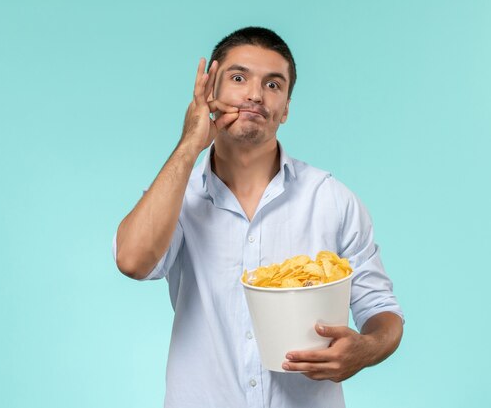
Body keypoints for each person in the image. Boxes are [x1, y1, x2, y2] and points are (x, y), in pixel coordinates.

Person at [113, 26, 403, 408]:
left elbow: (382, 310)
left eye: (273, 85)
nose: (254, 94)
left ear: (285, 109)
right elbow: (132, 261)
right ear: (210, 94)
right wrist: (189, 143)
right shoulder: (178, 196)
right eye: (238, 78)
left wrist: (364, 349)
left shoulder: (331, 199)